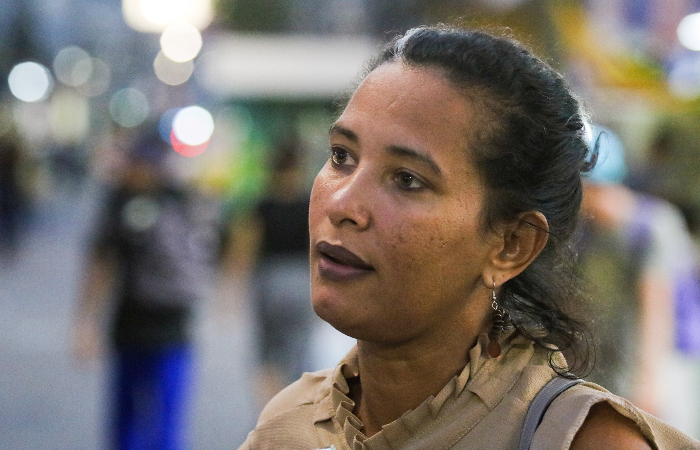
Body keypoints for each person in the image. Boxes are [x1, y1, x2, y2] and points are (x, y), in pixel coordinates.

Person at [238, 26, 700, 449]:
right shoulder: (288, 425)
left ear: (510, 245)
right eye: (342, 156)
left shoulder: (580, 441)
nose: (342, 205)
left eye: (407, 179)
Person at [73, 123, 222, 450]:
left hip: (152, 326)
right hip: (161, 325)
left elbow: (100, 264)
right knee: (158, 423)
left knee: (138, 422)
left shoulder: (124, 201)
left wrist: (85, 322)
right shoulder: (185, 198)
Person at [579, 125, 700, 433]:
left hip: (662, 358)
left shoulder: (651, 227)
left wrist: (648, 381)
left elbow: (657, 308)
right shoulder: (589, 230)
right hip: (615, 357)